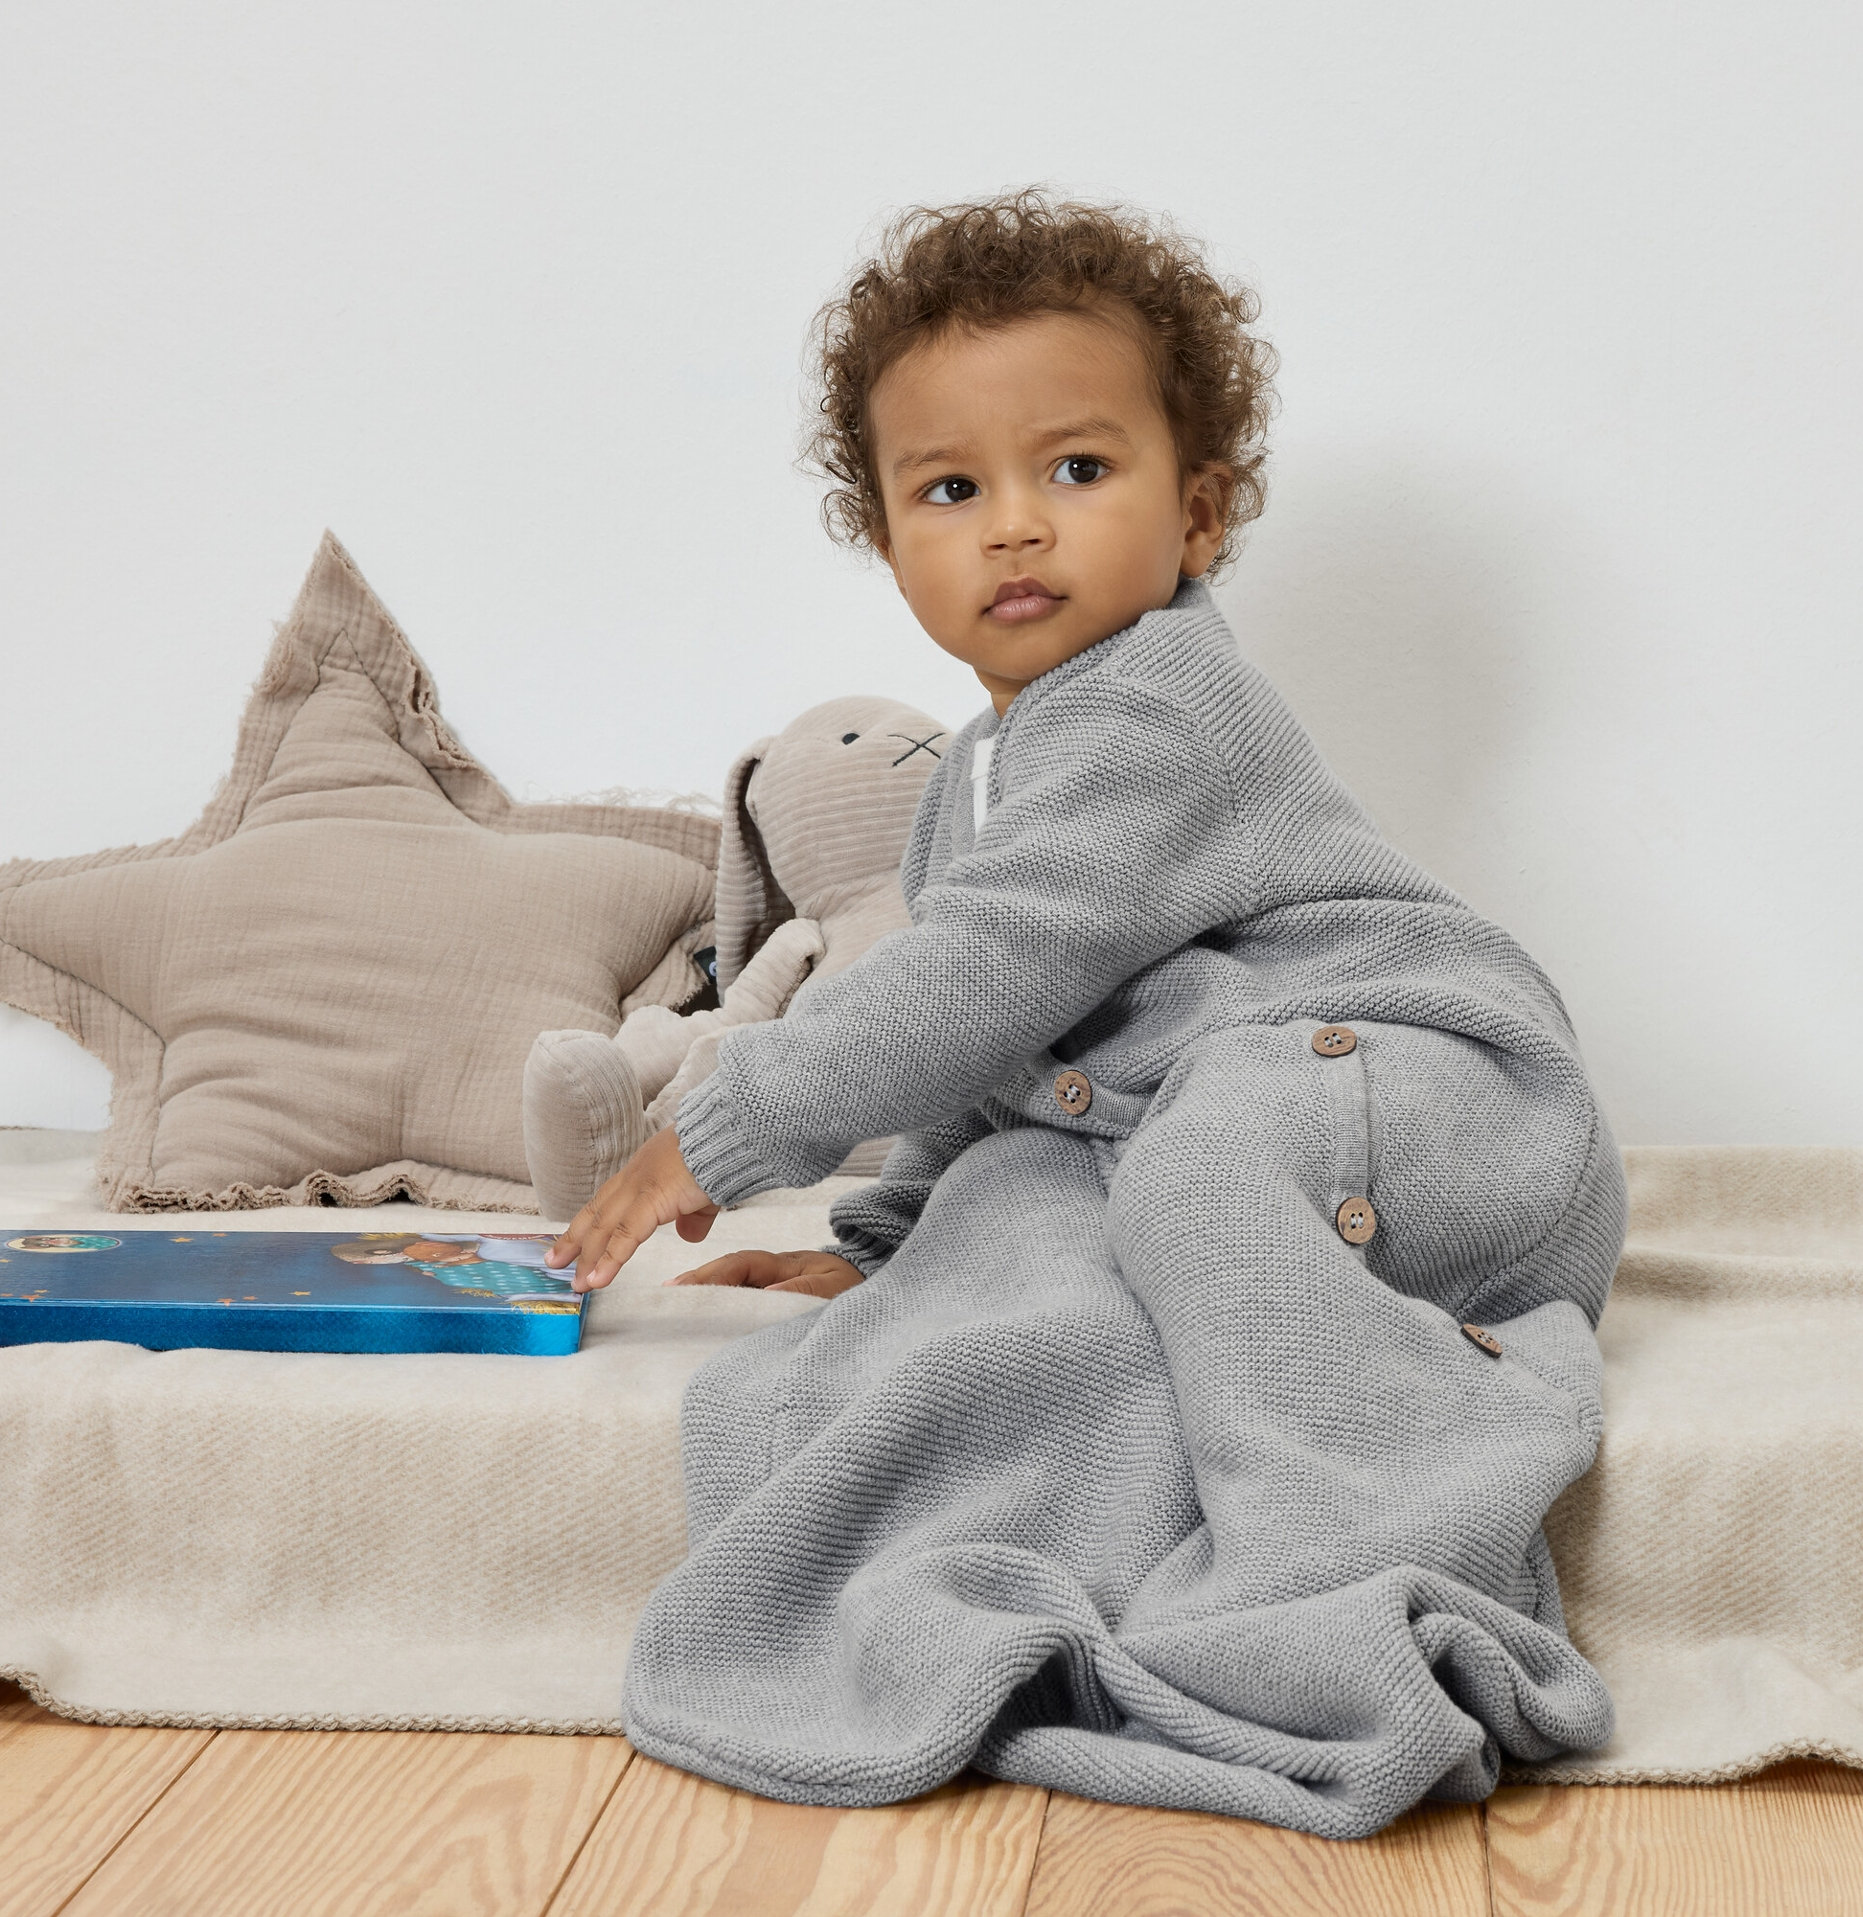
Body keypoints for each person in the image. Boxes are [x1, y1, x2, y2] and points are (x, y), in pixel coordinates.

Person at [549, 193, 1630, 1832]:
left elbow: (972, 975)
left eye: (1076, 469)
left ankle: (1315, 1576)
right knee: (1017, 1226)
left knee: (1192, 1173)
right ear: (893, 537)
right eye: (950, 488)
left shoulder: (1160, 707)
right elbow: (1000, 1051)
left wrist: (725, 1124)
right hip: (1259, 1109)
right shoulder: (979, 773)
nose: (1013, 528)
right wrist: (896, 1224)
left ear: (1195, 514)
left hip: (1439, 1095)